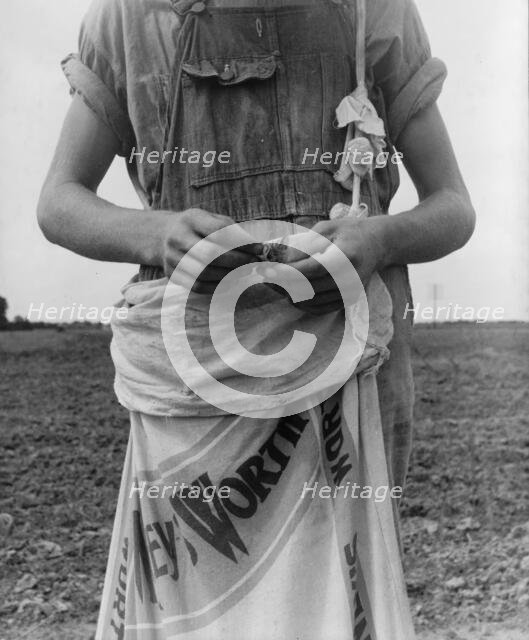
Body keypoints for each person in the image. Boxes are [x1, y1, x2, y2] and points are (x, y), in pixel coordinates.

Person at [37, 0, 475, 638]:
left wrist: (379, 240)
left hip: (347, 382)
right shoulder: (131, 18)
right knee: (202, 610)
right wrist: (156, 234)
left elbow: (453, 205)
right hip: (189, 394)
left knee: (331, 606)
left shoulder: (371, 14)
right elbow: (58, 200)